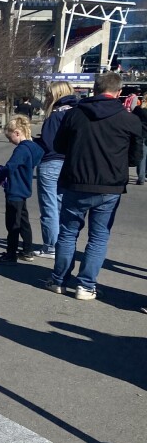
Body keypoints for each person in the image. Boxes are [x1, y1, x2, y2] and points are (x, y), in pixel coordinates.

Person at [44, 71, 142, 301]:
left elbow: (59, 145)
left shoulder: (74, 114)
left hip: (76, 180)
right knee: (98, 236)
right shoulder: (128, 119)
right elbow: (136, 156)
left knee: (68, 233)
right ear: (119, 93)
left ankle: (59, 280)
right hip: (110, 184)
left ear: (95, 89)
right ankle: (86, 285)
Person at [0, 115, 43, 265]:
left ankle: (11, 254)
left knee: (12, 223)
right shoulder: (33, 147)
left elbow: (10, 167)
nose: (9, 141)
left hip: (14, 190)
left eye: (9, 137)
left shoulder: (21, 150)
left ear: (17, 133)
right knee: (24, 221)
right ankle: (27, 250)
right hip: (24, 189)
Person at [35, 82, 79, 257]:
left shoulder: (55, 115)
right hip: (69, 163)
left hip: (51, 162)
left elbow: (48, 143)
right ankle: (62, 244)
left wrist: (34, 142)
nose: (46, 98)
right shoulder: (75, 113)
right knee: (61, 205)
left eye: (48, 95)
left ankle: (51, 246)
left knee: (49, 207)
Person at [132, 98, 147, 185]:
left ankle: (141, 177)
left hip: (142, 134)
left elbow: (132, 119)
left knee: (142, 156)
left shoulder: (138, 109)